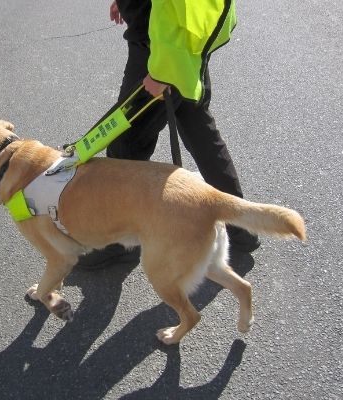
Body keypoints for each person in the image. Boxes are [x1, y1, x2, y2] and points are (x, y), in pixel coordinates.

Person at [76, 0, 260, 270]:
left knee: (126, 147)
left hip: (160, 51)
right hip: (176, 46)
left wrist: (164, 69)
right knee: (199, 131)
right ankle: (240, 227)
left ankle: (122, 243)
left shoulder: (161, 56)